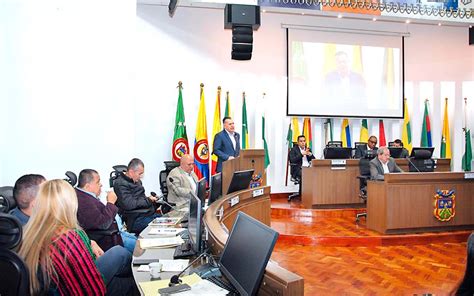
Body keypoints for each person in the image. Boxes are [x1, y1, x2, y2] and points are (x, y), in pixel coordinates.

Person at [19, 179, 137, 295]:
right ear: (70, 204)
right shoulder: (69, 238)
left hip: (61, 288)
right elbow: (93, 290)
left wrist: (89, 241)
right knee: (131, 282)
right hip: (83, 290)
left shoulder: (28, 233)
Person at [76, 169, 136, 253]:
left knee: (141, 241)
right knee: (142, 247)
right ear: (87, 186)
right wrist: (110, 202)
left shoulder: (85, 196)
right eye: (98, 182)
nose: (101, 184)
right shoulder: (83, 202)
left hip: (116, 234)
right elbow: (103, 224)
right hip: (109, 240)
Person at [113, 158, 160, 234]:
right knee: (160, 226)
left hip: (146, 214)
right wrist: (148, 200)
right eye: (140, 174)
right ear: (131, 172)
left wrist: (153, 201)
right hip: (134, 219)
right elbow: (129, 204)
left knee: (167, 220)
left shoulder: (137, 181)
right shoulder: (120, 184)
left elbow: (140, 199)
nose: (141, 176)